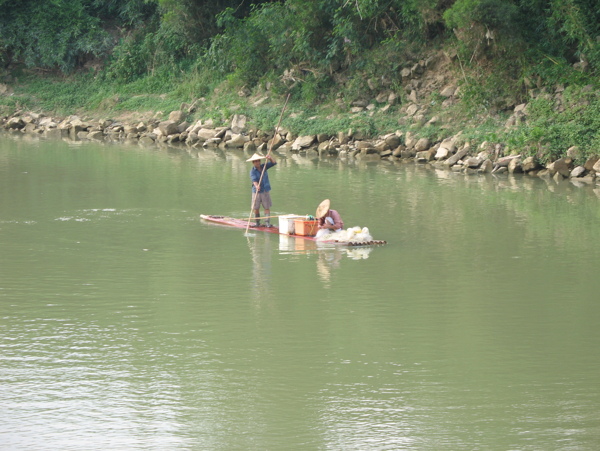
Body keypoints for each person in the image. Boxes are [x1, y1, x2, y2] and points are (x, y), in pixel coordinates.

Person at [247, 152, 277, 227]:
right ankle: (257, 223)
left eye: (258, 161)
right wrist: (257, 186)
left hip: (265, 190)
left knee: (267, 207)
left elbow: (274, 163)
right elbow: (254, 181)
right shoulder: (252, 171)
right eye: (255, 161)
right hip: (256, 191)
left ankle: (267, 223)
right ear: (253, 162)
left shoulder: (264, 167)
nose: (257, 162)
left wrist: (270, 158)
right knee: (256, 208)